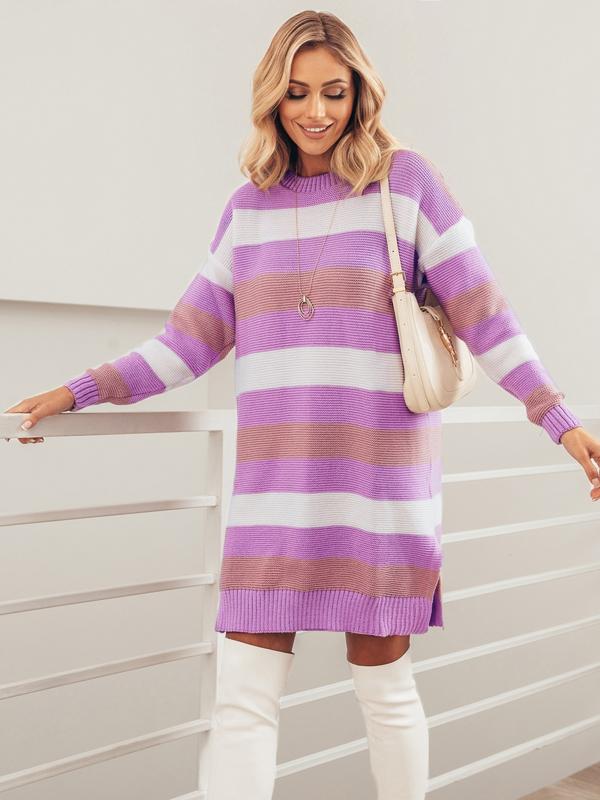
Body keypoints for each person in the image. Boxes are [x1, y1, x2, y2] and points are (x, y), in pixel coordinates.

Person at [4, 10, 600, 800]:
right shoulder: (247, 210)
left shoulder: (406, 183)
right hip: (274, 490)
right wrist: (75, 392)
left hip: (379, 488)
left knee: (385, 691)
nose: (316, 111)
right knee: (242, 698)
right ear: (272, 99)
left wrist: (559, 419)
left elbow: (484, 316)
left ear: (360, 94)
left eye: (334, 91)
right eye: (296, 92)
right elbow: (186, 343)